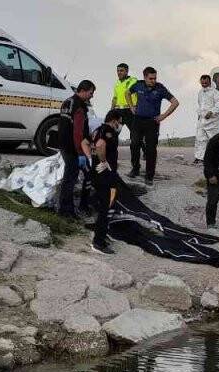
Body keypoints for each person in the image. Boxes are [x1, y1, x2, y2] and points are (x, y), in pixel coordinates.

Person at [128, 67, 180, 184]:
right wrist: (131, 106)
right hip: (138, 120)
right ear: (145, 77)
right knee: (134, 144)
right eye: (151, 78)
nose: (153, 81)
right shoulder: (138, 85)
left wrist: (164, 116)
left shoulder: (160, 88)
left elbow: (175, 102)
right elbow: (127, 93)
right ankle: (135, 169)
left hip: (152, 122)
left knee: (151, 149)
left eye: (155, 78)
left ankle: (149, 176)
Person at [57, 80, 96, 219]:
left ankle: (71, 208)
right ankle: (66, 211)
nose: (91, 96)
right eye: (91, 93)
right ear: (83, 90)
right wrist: (80, 153)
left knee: (72, 177)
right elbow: (78, 132)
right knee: (70, 179)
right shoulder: (79, 106)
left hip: (63, 144)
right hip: (73, 148)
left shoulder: (67, 102)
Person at [89, 109, 123, 255]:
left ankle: (99, 234)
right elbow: (100, 145)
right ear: (114, 120)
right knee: (106, 207)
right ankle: (98, 242)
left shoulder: (97, 130)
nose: (120, 125)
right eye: (119, 122)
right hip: (104, 175)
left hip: (96, 173)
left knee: (102, 205)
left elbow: (87, 143)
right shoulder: (108, 131)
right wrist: (104, 161)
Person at [194, 74, 219, 164]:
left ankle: (218, 158)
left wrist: (211, 112)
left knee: (215, 140)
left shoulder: (217, 93)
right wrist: (199, 116)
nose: (204, 84)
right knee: (200, 139)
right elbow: (200, 105)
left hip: (213, 121)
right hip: (202, 120)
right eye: (202, 83)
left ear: (210, 82)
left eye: (205, 83)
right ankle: (200, 158)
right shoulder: (200, 92)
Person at [111, 62, 137, 132]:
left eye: (121, 71)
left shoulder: (133, 81)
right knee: (113, 131)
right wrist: (111, 111)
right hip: (118, 111)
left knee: (134, 132)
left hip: (129, 110)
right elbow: (115, 98)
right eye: (118, 71)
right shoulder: (117, 83)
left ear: (127, 71)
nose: (119, 73)